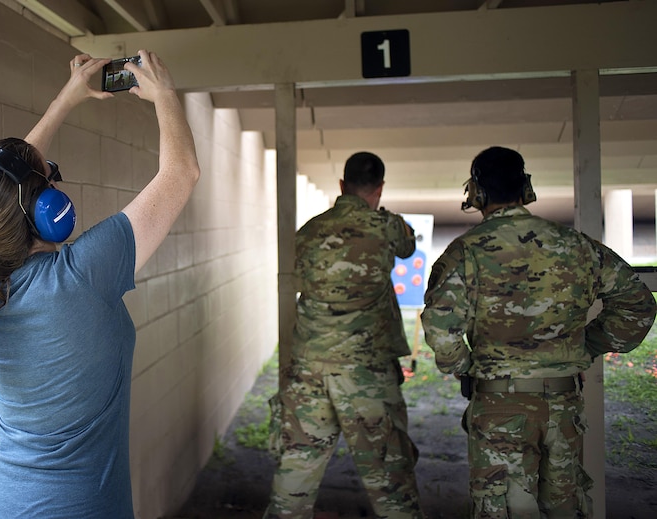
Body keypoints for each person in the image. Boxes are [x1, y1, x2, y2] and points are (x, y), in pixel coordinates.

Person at [0, 50, 199, 518]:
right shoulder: (84, 274)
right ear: (46, 213)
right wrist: (165, 95)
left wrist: (70, 97)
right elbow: (181, 173)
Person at [421, 146, 657, 518]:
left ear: (476, 193)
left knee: (501, 509)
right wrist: (588, 345)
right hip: (563, 408)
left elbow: (440, 327)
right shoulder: (577, 245)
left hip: (499, 408)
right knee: (566, 507)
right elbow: (638, 306)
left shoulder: (463, 253)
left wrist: (467, 366)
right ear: (526, 188)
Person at [264, 152, 425, 519]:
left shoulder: (310, 230)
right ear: (380, 188)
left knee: (294, 479)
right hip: (366, 373)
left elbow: (295, 274)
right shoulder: (387, 227)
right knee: (391, 484)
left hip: (309, 370)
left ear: (341, 185)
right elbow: (408, 247)